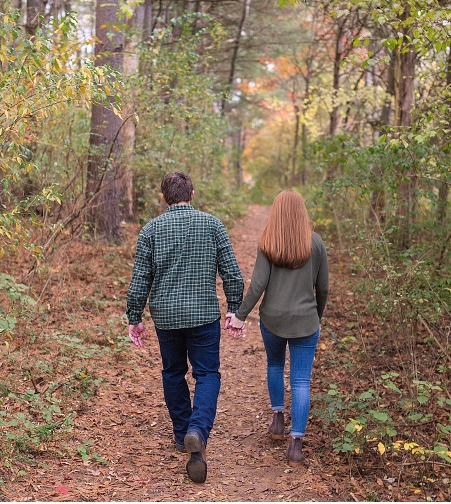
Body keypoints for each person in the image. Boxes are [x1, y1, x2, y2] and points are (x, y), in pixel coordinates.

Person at [125, 172, 244, 484]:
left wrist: (134, 317)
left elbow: (140, 280)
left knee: (173, 372)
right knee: (207, 374)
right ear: (192, 193)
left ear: (165, 198)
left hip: (166, 317)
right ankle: (198, 430)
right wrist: (234, 308)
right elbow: (232, 273)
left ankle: (182, 434)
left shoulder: (150, 230)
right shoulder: (212, 225)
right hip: (204, 314)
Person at [227, 189, 329, 465]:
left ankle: (277, 421)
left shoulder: (268, 241)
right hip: (306, 322)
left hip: (272, 319)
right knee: (300, 381)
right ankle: (296, 444)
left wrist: (239, 314)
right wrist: (316, 316)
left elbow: (258, 284)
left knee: (274, 365)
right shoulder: (316, 243)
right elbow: (323, 287)